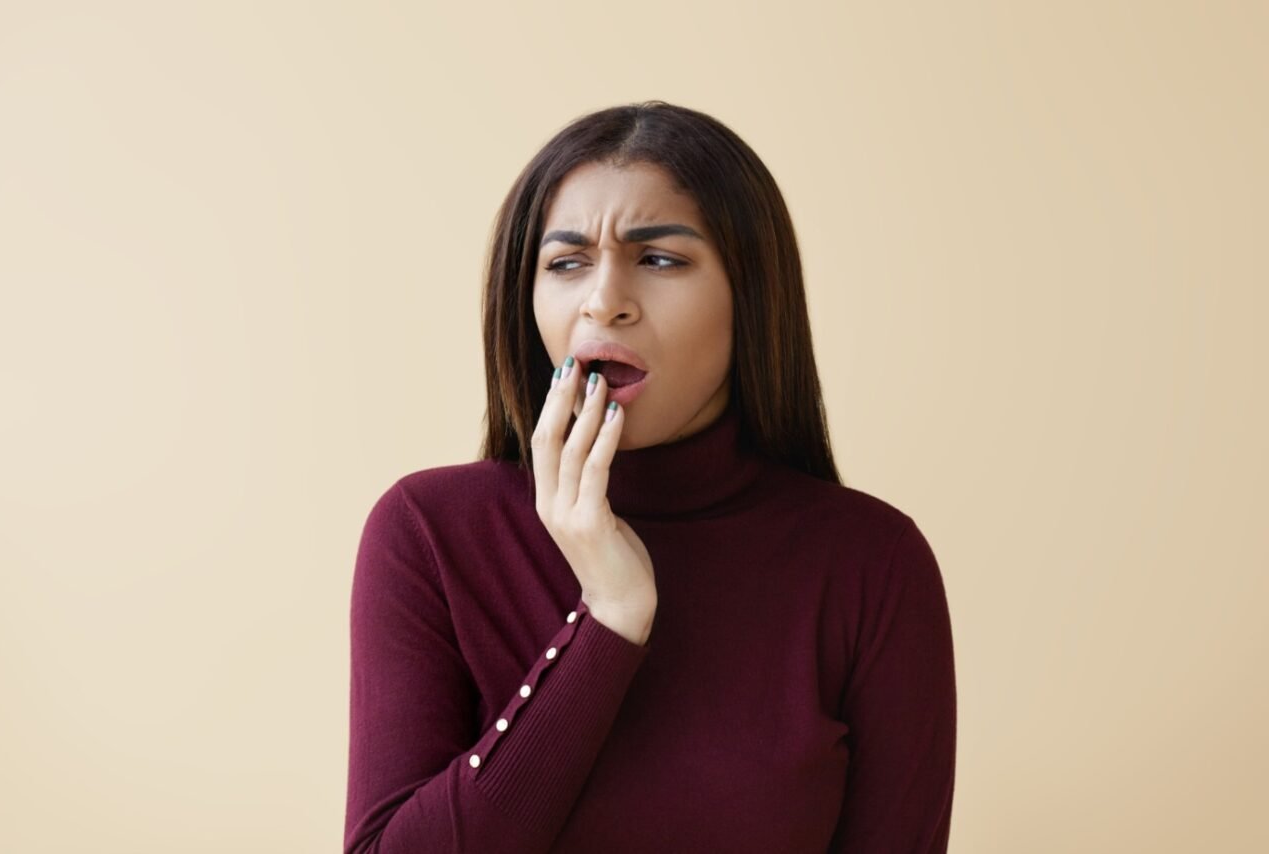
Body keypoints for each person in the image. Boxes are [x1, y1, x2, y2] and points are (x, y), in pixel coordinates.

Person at [343, 100, 957, 853]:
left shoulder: (872, 563)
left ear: (752, 297)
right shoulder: (428, 533)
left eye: (660, 259)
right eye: (566, 263)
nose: (603, 301)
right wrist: (607, 619)